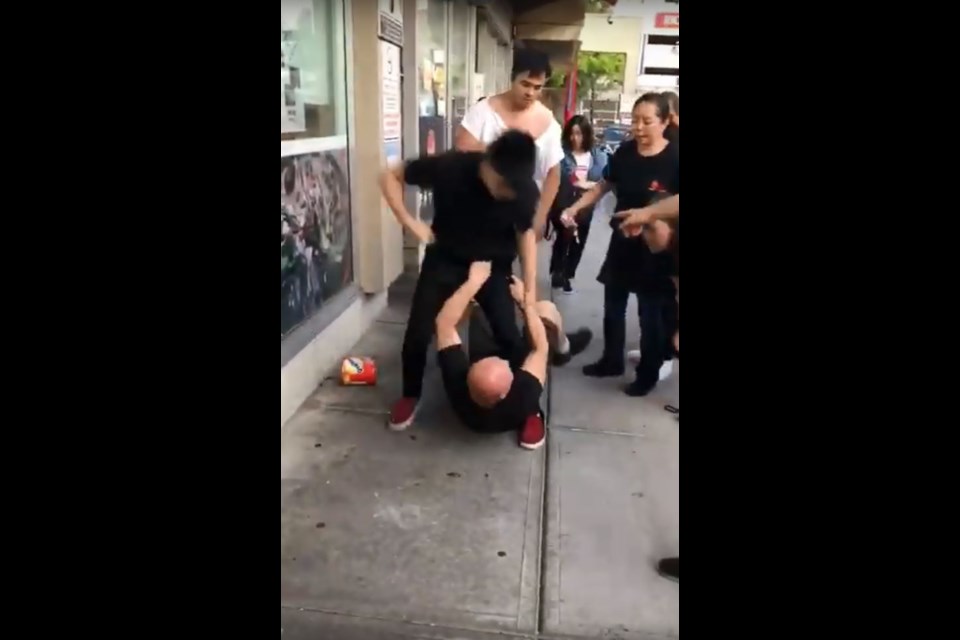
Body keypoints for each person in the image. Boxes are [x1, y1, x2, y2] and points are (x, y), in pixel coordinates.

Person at [379, 130, 542, 431]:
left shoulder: (523, 190)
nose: (509, 193)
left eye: (514, 188)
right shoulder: (451, 167)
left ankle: (527, 405)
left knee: (508, 334)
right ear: (490, 163)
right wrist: (410, 222)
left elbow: (525, 234)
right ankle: (410, 395)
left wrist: (530, 287)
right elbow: (390, 175)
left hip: (492, 266)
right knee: (418, 330)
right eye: (504, 185)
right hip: (446, 259)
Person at [560, 93, 679, 397]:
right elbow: (603, 185)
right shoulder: (625, 153)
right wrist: (576, 208)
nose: (638, 127)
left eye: (647, 121)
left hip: (657, 248)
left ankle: (648, 373)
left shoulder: (675, 157)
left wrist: (649, 215)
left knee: (650, 313)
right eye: (635, 120)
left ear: (665, 122)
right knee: (613, 304)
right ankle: (611, 360)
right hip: (622, 241)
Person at [435, 266, 591, 449]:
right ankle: (564, 349)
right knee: (547, 310)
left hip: (486, 397)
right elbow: (541, 347)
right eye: (504, 365)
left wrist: (473, 282)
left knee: (480, 313)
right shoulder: (524, 392)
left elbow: (443, 323)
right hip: (521, 382)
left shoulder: (458, 388)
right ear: (508, 389)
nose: (500, 358)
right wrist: (525, 303)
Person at [455, 48, 564, 240]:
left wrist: (541, 216)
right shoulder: (483, 112)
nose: (530, 92)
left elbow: (553, 174)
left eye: (537, 87)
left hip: (522, 215)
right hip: (480, 210)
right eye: (525, 84)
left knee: (521, 267)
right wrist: (497, 150)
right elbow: (462, 149)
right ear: (513, 78)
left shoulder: (548, 122)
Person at [548, 115, 607, 294]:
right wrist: (583, 183)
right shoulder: (562, 154)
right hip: (563, 201)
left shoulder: (598, 155)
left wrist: (588, 185)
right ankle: (557, 270)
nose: (575, 138)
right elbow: (570, 178)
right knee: (565, 235)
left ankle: (568, 274)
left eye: (579, 134)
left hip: (585, 205)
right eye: (572, 134)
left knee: (579, 241)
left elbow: (600, 179)